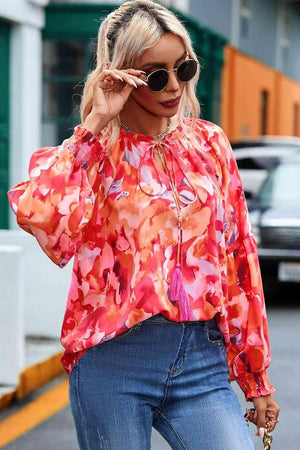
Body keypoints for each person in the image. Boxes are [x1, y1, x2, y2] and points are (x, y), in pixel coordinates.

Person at [7, 1, 280, 449]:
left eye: (183, 68)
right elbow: (45, 220)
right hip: (114, 361)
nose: (174, 86)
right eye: (156, 75)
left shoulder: (209, 144)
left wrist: (256, 376)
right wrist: (95, 124)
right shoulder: (94, 155)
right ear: (123, 77)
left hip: (202, 360)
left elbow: (238, 260)